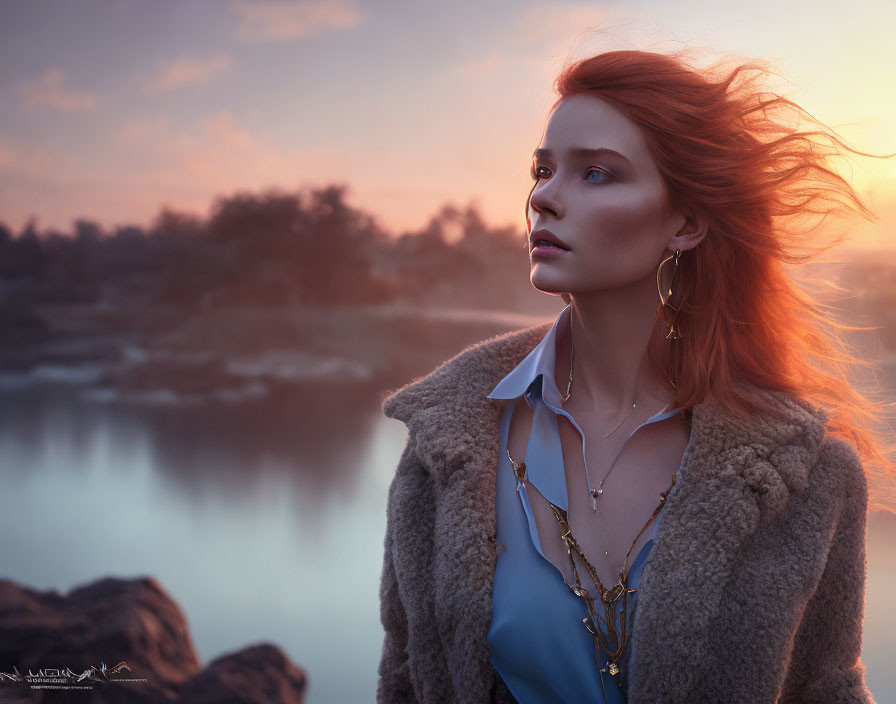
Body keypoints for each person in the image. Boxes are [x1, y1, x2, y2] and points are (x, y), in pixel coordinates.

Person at [377, 47, 894, 704]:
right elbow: (403, 682)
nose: (544, 199)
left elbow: (828, 690)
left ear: (686, 222)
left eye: (596, 173)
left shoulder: (812, 475)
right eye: (543, 170)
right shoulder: (443, 445)